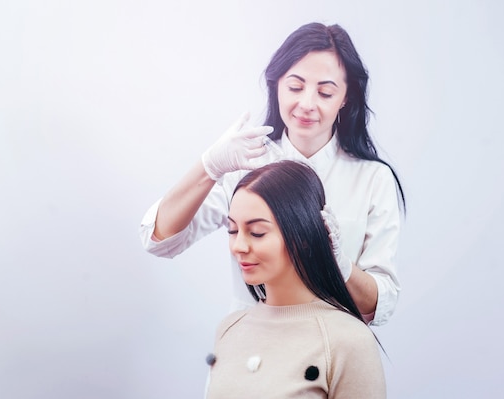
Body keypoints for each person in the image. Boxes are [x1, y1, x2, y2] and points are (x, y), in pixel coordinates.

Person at [139, 22, 405, 325]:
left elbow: (381, 304)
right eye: (295, 87)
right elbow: (159, 239)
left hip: (330, 350)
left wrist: (340, 266)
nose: (306, 103)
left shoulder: (372, 179)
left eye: (325, 92)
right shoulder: (243, 162)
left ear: (346, 97)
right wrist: (209, 166)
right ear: (276, 83)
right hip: (249, 348)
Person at [205, 160, 386, 398]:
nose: (238, 246)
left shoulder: (348, 341)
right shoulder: (228, 329)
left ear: (303, 236)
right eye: (232, 231)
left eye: (257, 232)